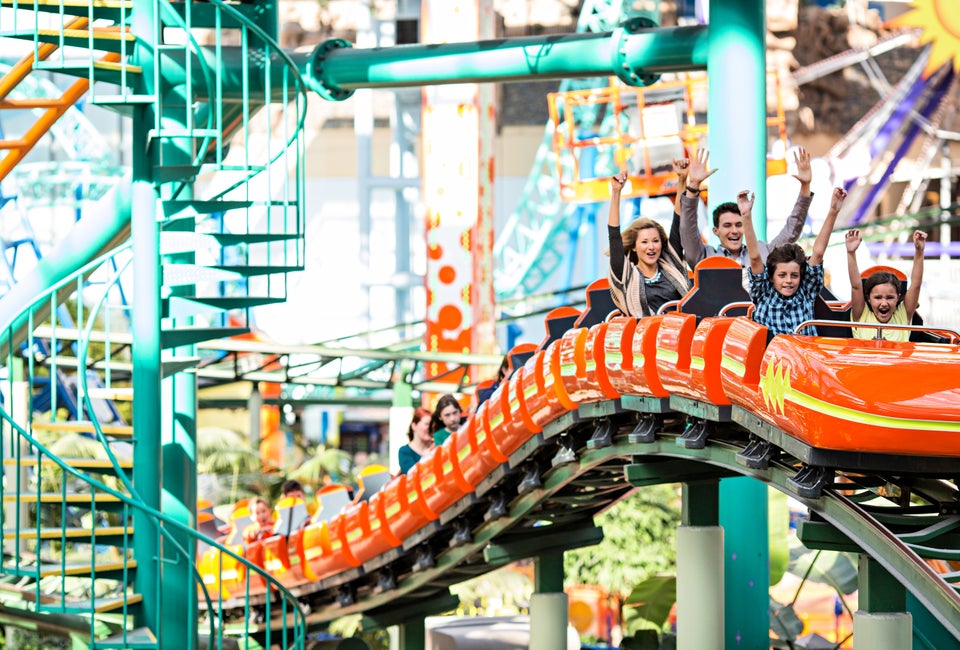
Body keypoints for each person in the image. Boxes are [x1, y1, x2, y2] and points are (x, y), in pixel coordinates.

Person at [681, 147, 813, 289]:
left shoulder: (763, 251)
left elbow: (791, 231)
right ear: (715, 230)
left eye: (739, 224)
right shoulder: (705, 257)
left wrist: (805, 187)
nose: (734, 230)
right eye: (727, 225)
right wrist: (693, 186)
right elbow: (688, 230)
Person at [743, 186, 847, 337]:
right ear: (772, 277)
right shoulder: (764, 292)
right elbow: (754, 258)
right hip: (774, 356)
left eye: (794, 275)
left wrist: (833, 211)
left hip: (802, 354)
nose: (788, 281)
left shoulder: (806, 291)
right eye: (782, 275)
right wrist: (746, 216)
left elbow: (817, 253)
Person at [608, 170, 691, 317]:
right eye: (644, 242)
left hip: (679, 331)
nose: (651, 247)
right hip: (645, 336)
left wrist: (682, 180)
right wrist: (616, 192)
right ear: (634, 247)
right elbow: (614, 236)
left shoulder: (671, 265)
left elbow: (679, 218)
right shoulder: (626, 275)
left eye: (655, 241)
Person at [845, 229, 926, 341]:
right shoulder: (862, 315)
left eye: (890, 297)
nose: (884, 303)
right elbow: (856, 286)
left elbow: (916, 285)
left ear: (898, 297)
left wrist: (919, 251)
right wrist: (851, 252)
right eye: (878, 297)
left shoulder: (902, 316)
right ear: (868, 298)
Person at [398, 407, 434, 474]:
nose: (430, 427)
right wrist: (425, 458)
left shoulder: (437, 446)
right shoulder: (404, 451)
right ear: (414, 426)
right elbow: (412, 474)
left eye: (432, 424)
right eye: (427, 424)